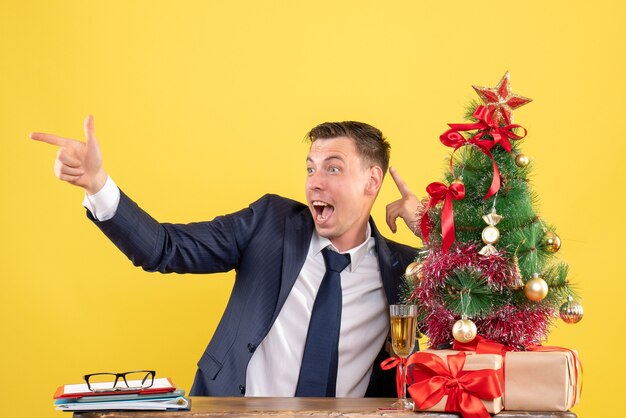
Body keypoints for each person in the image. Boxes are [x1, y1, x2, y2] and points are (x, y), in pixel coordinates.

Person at [30, 116, 422, 397]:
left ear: (372, 181)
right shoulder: (269, 224)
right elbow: (165, 248)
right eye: (310, 168)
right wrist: (98, 185)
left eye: (333, 169)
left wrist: (434, 232)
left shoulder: (407, 268)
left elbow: (476, 320)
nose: (315, 182)